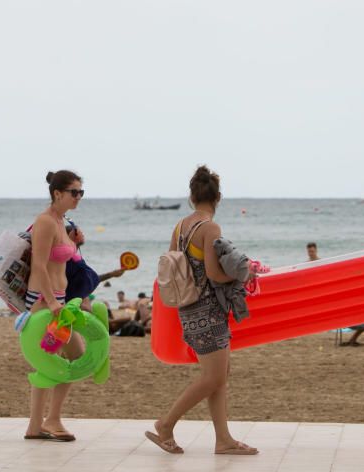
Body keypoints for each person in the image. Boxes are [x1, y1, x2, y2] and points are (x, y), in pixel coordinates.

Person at [146, 165, 258, 456]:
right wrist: (243, 275)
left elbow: (174, 267)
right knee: (213, 378)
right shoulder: (210, 228)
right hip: (208, 310)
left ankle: (224, 440)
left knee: (219, 376)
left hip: (187, 308)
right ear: (218, 197)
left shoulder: (180, 227)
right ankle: (166, 424)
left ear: (191, 197)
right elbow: (214, 274)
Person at [23, 170, 85, 442]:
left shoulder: (62, 221)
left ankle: (37, 426)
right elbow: (39, 265)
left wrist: (75, 242)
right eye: (74, 192)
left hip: (57, 298)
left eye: (81, 192)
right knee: (75, 355)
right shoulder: (45, 221)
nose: (78, 197)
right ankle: (52, 420)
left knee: (52, 360)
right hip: (43, 300)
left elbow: (62, 258)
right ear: (57, 193)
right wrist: (51, 302)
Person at [64, 220, 126, 309]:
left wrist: (112, 274)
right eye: (80, 232)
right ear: (73, 236)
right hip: (67, 303)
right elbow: (88, 281)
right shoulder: (70, 260)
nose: (83, 234)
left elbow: (89, 279)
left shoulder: (74, 258)